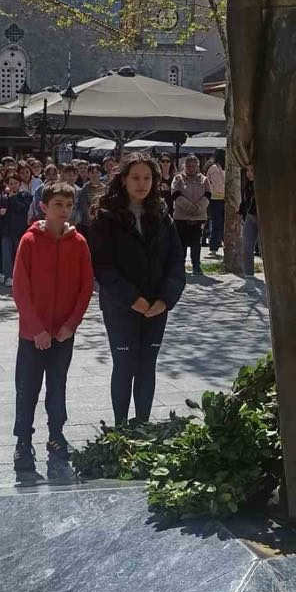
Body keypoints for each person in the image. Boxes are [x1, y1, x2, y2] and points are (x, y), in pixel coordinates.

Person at [88, 154, 186, 426]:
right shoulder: (106, 218)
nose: (142, 184)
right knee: (125, 365)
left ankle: (142, 427)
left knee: (146, 366)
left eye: (147, 178)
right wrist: (132, 299)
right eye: (135, 178)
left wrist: (165, 299)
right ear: (123, 180)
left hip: (156, 307)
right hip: (121, 308)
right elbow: (103, 266)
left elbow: (176, 261)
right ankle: (120, 428)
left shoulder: (163, 216)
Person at [11, 181, 94, 473]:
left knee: (57, 386)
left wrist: (71, 324)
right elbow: (20, 288)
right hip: (33, 334)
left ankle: (56, 436)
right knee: (27, 388)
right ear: (43, 207)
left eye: (69, 205)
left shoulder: (79, 243)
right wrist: (36, 328)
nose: (64, 210)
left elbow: (86, 286)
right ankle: (23, 441)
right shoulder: (29, 241)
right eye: (58, 205)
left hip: (63, 333)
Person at [171, 155, 211, 275]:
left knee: (196, 244)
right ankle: (180, 266)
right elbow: (175, 195)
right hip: (181, 218)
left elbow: (208, 196)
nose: (191, 168)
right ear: (184, 166)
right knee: (181, 244)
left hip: (198, 218)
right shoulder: (178, 179)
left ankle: (196, 266)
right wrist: (189, 207)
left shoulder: (204, 180)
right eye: (188, 166)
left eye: (194, 166)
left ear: (198, 166)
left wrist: (197, 208)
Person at [0, 173, 32, 286]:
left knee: (19, 253)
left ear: (20, 184)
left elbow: (24, 209)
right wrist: (0, 212)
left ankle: (20, 275)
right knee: (6, 254)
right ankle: (8, 276)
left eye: (15, 183)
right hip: (7, 229)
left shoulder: (25, 196)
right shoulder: (4, 197)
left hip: (19, 229)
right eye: (11, 183)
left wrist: (13, 198)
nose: (13, 185)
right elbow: (0, 212)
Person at [205, 149, 226, 254]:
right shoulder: (214, 168)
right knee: (217, 224)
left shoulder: (220, 168)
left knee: (221, 224)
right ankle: (213, 247)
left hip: (222, 199)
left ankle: (220, 245)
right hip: (216, 199)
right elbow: (218, 186)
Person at [240, 165, 259, 277]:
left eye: (252, 170)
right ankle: (249, 276)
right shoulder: (247, 185)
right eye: (247, 170)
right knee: (247, 245)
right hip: (251, 216)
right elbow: (245, 202)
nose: (249, 173)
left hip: (264, 217)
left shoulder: (262, 184)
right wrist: (242, 215)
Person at [76, 163, 104, 236]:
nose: (95, 175)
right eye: (92, 172)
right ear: (88, 174)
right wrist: (93, 219)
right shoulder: (85, 189)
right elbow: (84, 207)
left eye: (97, 172)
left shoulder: (105, 188)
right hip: (88, 224)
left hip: (102, 222)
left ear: (101, 174)